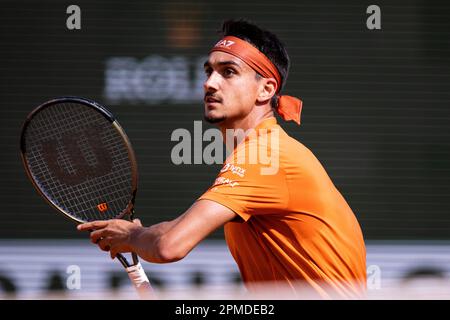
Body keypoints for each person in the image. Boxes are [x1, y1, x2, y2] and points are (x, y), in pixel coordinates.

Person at [78, 19, 366, 299]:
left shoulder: (265, 156)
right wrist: (138, 234)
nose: (209, 84)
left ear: (266, 90)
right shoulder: (264, 150)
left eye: (228, 72)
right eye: (208, 71)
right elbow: (175, 228)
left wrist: (132, 236)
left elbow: (170, 245)